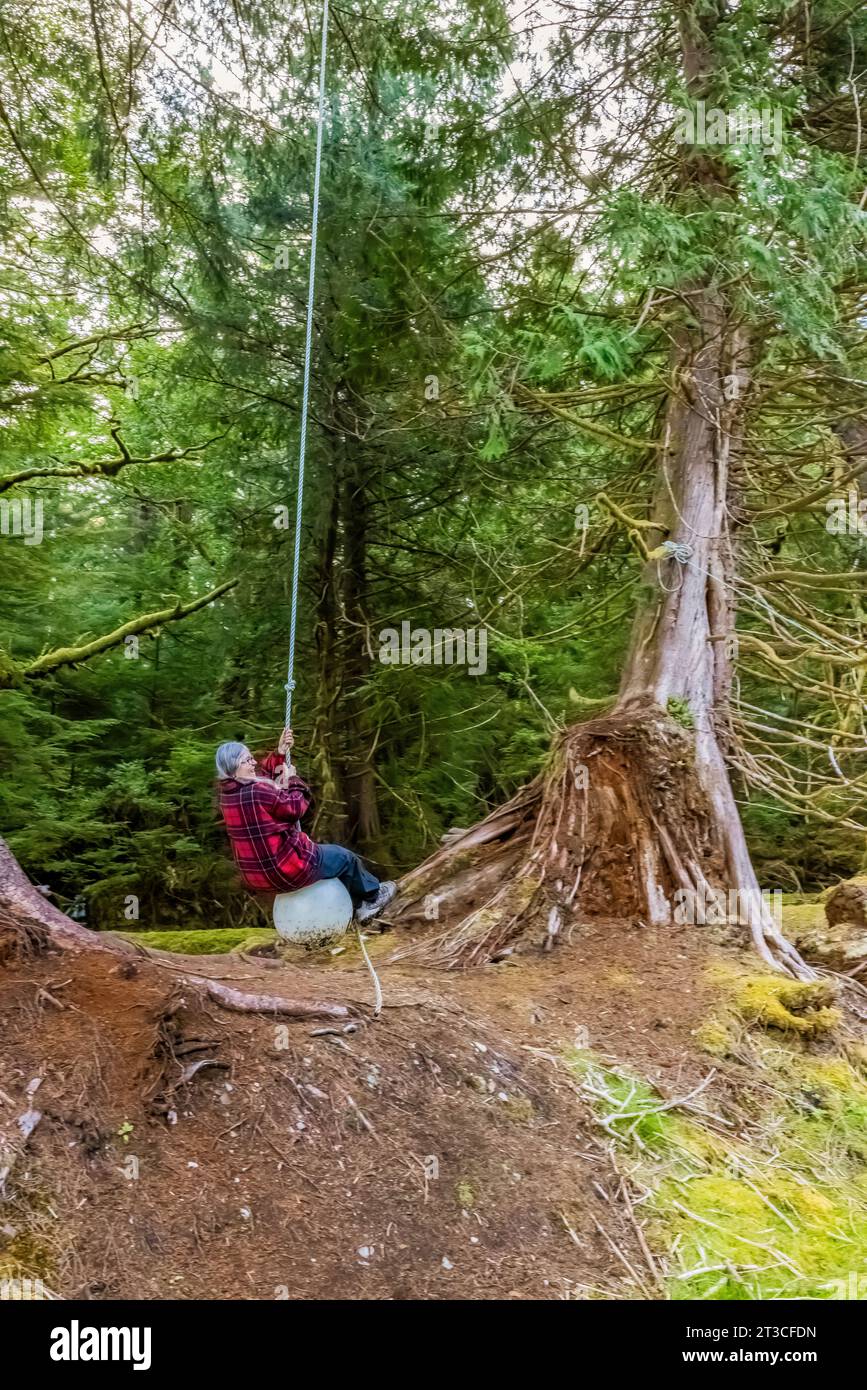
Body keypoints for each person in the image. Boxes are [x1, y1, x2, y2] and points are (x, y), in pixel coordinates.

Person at [215, 726, 396, 924]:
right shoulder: (257, 792)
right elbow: (296, 807)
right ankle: (372, 898)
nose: (254, 762)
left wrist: (280, 753)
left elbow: (264, 781)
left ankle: (354, 906)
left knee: (332, 862)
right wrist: (293, 779)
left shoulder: (226, 797)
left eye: (252, 758)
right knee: (344, 859)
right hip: (285, 869)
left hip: (256, 878)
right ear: (233, 768)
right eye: (247, 760)